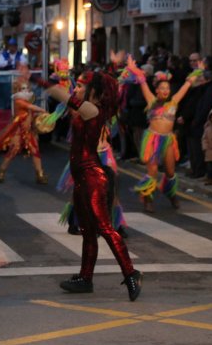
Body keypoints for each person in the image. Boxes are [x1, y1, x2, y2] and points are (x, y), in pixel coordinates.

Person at [45, 70, 142, 301]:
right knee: (88, 232)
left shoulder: (92, 109)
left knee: (105, 228)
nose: (76, 89)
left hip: (92, 176)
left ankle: (131, 273)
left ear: (95, 92)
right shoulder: (84, 109)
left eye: (80, 86)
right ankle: (85, 278)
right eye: (75, 85)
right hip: (81, 176)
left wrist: (38, 80)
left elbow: (63, 96)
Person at [126, 55, 202, 212]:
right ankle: (148, 198)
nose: (165, 91)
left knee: (170, 172)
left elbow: (186, 85)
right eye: (162, 88)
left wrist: (198, 71)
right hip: (152, 139)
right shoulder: (151, 101)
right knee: (152, 172)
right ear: (157, 90)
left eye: (167, 88)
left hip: (168, 140)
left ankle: (171, 193)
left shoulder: (174, 102)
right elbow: (142, 82)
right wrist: (133, 68)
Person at [0, 77, 48, 184]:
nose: (25, 90)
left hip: (29, 129)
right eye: (22, 88)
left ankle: (40, 174)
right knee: (13, 150)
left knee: (35, 150)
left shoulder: (29, 98)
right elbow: (30, 107)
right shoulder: (18, 100)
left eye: (27, 88)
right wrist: (42, 110)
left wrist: (36, 118)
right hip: (17, 129)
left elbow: (31, 111)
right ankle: (1, 171)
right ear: (17, 89)